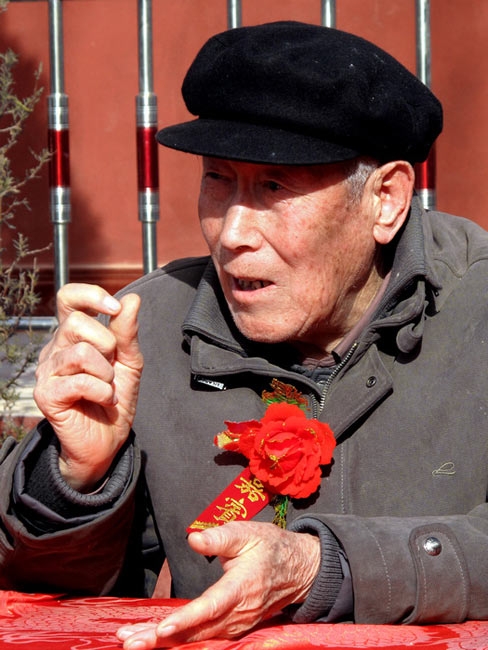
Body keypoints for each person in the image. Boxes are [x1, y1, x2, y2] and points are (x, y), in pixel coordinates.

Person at [0, 19, 487, 650]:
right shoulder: (148, 329)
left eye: (273, 187)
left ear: (386, 199)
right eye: (218, 179)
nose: (231, 234)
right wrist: (76, 480)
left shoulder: (476, 311)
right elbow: (57, 606)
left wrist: (326, 568)